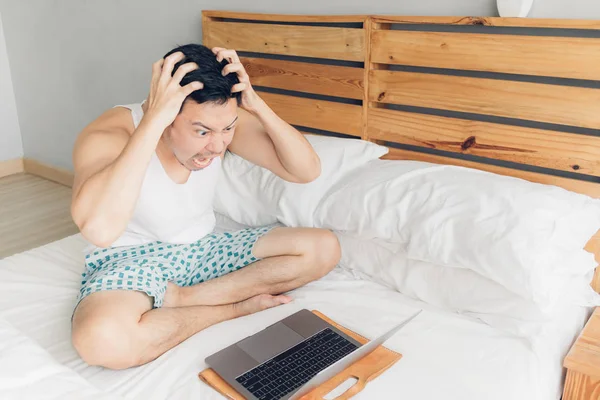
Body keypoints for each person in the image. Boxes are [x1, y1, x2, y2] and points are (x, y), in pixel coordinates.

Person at [69, 44, 341, 370]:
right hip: (133, 259)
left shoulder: (220, 124)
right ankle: (228, 308)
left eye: (227, 129)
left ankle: (188, 298)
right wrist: (152, 123)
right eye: (201, 132)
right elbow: (99, 231)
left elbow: (305, 170)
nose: (216, 146)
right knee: (103, 342)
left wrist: (256, 104)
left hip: (205, 250)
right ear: (167, 113)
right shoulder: (110, 133)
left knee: (323, 247)